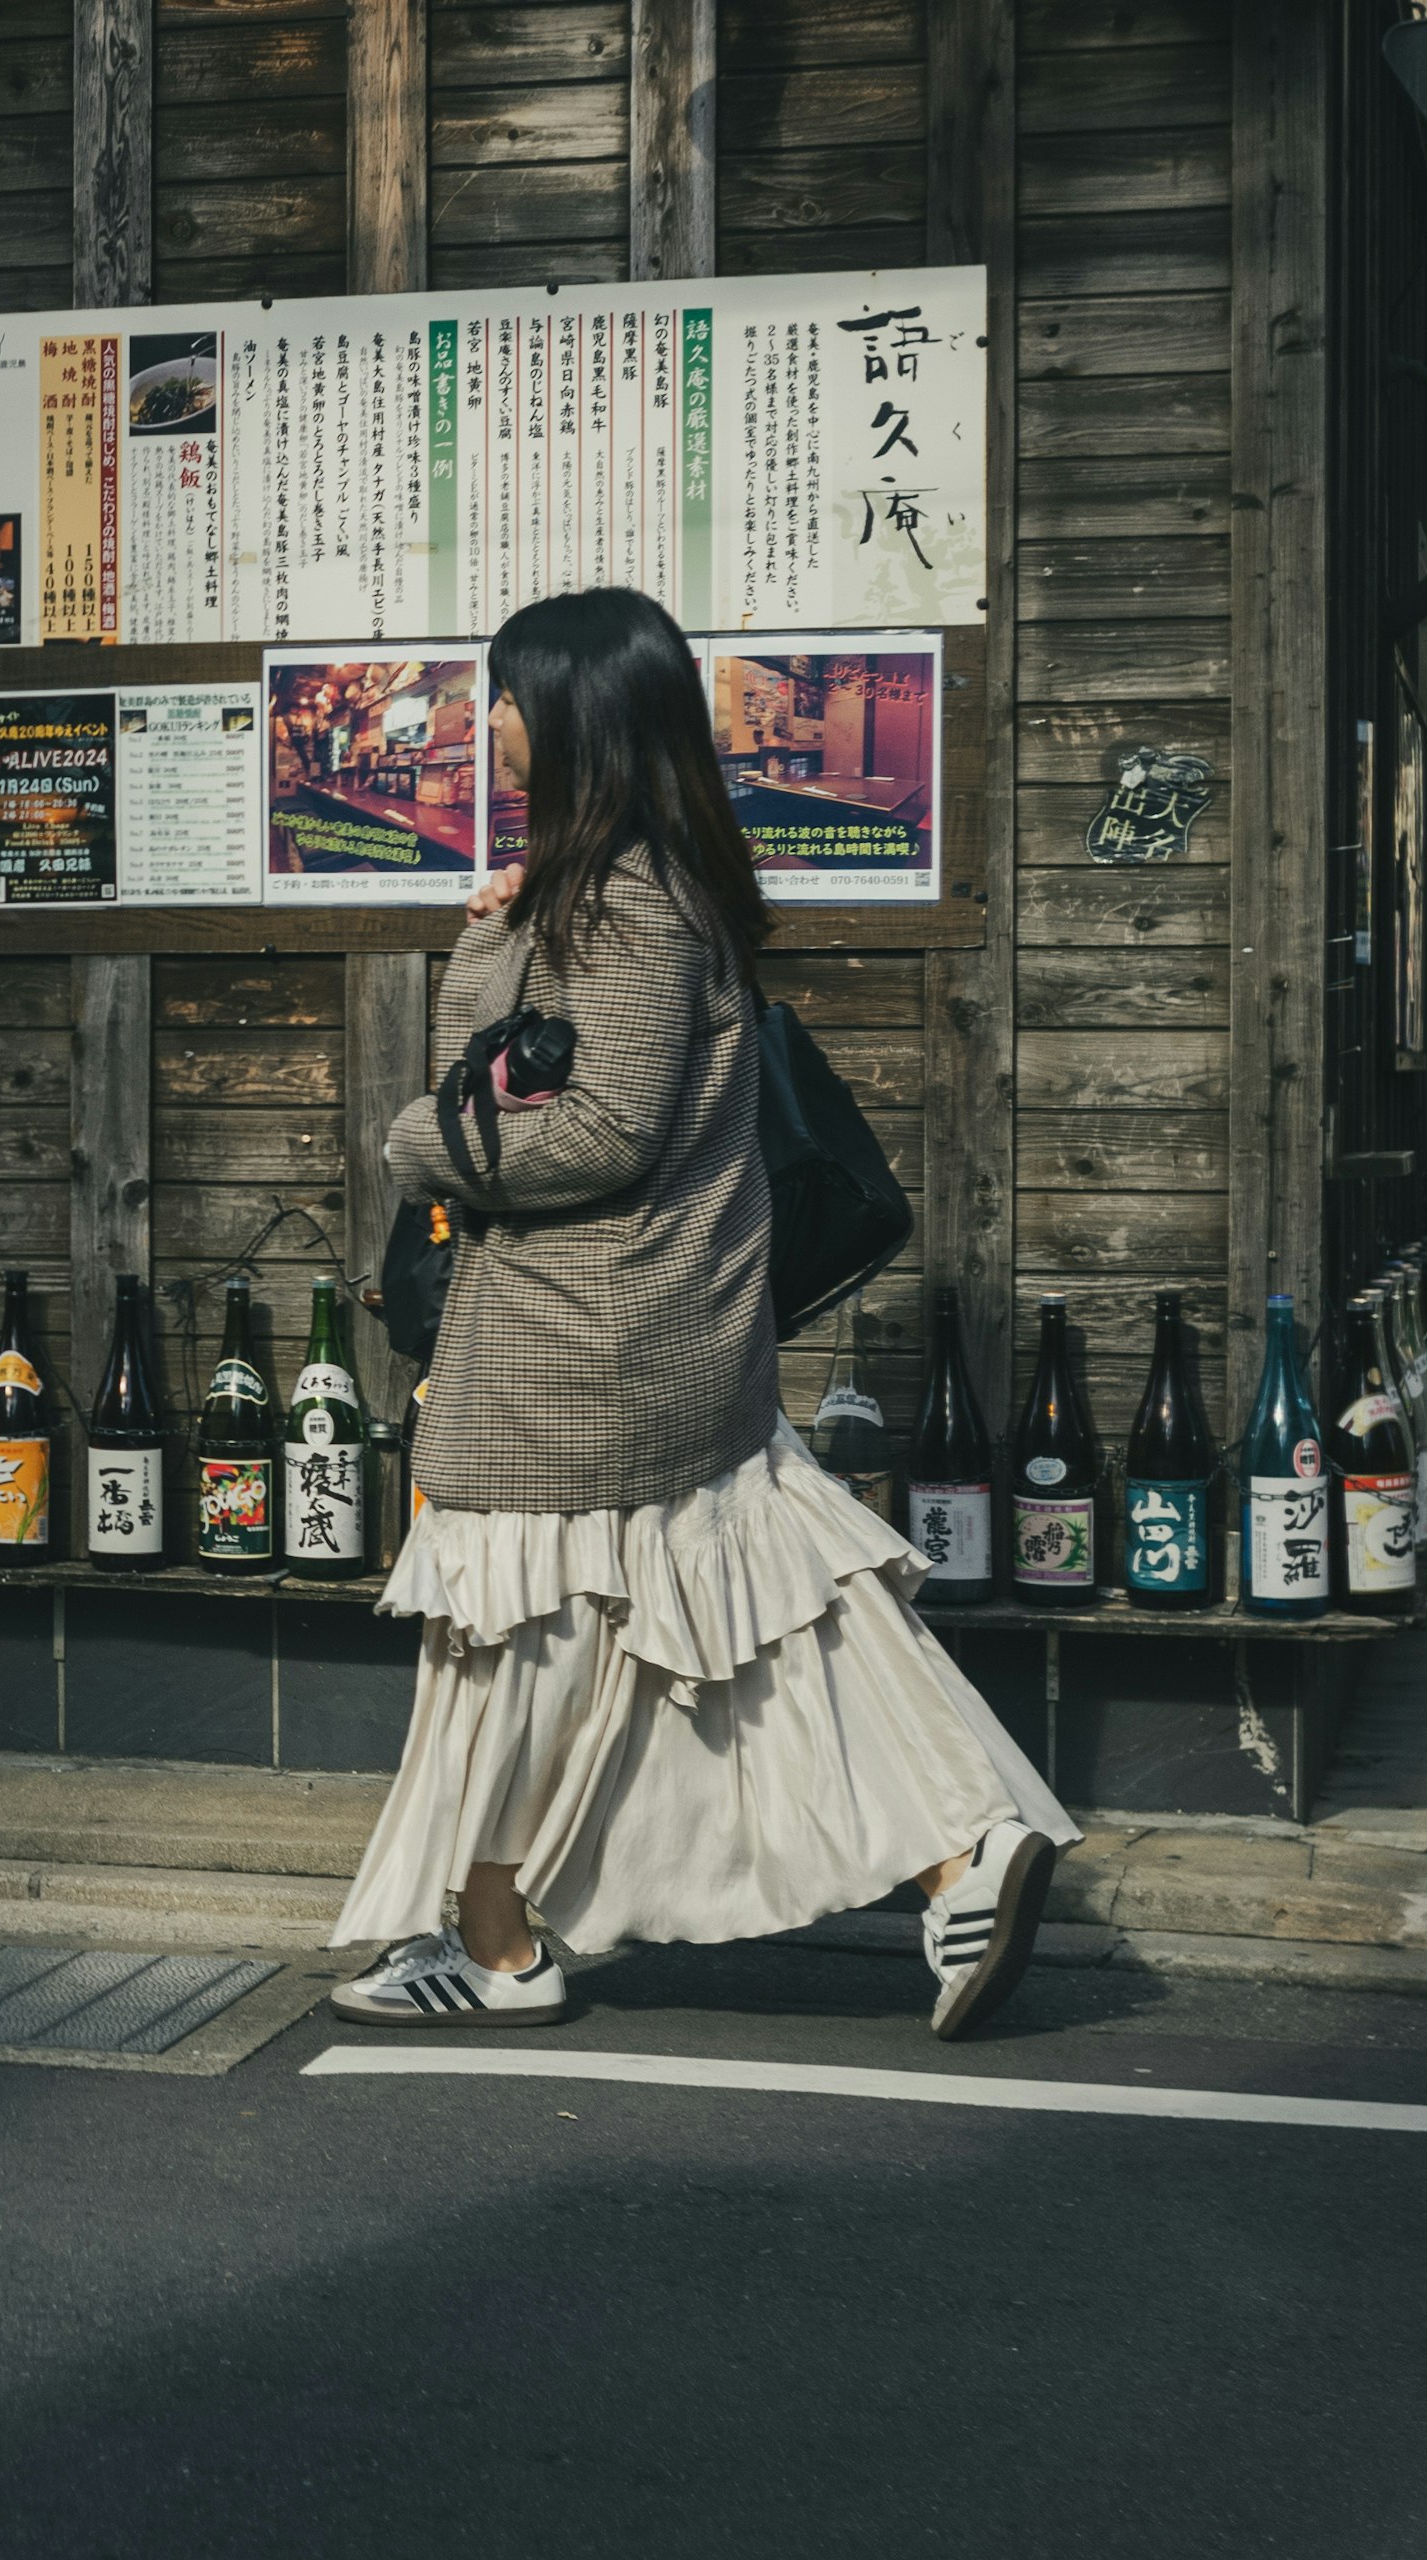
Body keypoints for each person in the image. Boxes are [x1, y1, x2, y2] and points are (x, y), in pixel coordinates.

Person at [328, 586, 1078, 2040]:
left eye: (505, 695)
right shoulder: (643, 890)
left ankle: (499, 1949)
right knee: (767, 1624)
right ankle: (956, 1853)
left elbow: (584, 1131)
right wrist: (507, 924)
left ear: (576, 719)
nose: (484, 723)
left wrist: (419, 1126)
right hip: (651, 1339)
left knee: (513, 1649)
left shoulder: (616, 904)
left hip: (576, 1352)